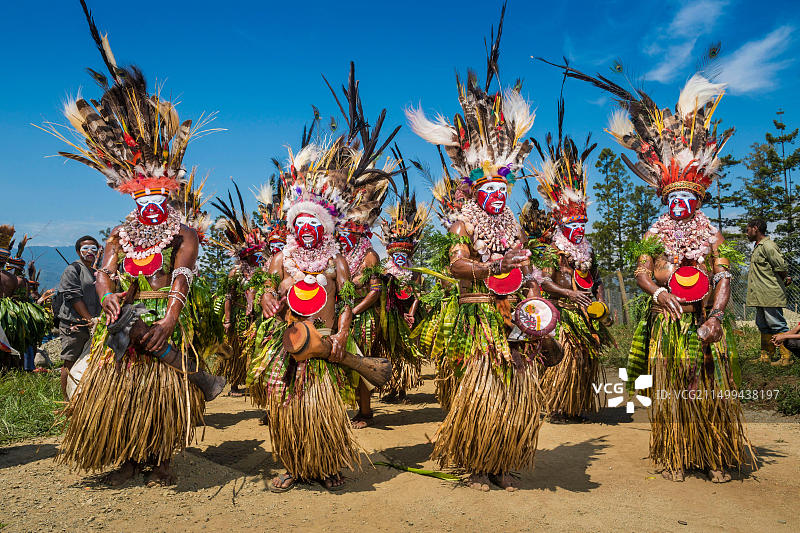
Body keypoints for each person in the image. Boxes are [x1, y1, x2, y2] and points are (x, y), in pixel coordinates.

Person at [44, 3, 223, 486]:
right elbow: (103, 270)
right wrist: (108, 297)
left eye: (157, 197)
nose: (149, 206)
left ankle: (160, 455)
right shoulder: (120, 234)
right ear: (131, 193)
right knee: (120, 391)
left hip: (160, 318)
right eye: (141, 198)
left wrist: (169, 317)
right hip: (122, 321)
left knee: (159, 389)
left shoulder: (182, 233)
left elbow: (183, 272)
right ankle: (125, 454)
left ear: (168, 191)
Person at [559, 63, 756, 481]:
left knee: (708, 387)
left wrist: (717, 315)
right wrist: (656, 293)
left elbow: (724, 276)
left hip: (705, 320)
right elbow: (642, 272)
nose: (679, 204)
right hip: (669, 319)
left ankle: (714, 454)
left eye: (686, 197)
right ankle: (677, 454)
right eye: (674, 197)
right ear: (666, 199)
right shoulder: (655, 233)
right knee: (670, 386)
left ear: (697, 198)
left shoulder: (712, 234)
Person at [406, 13, 561, 491]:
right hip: (477, 319)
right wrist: (490, 263)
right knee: (485, 387)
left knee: (515, 391)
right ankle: (477, 462)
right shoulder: (465, 220)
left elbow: (526, 264)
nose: (496, 196)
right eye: (487, 189)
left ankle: (504, 461)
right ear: (476, 190)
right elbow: (456, 264)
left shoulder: (511, 221)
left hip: (514, 317)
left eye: (502, 189)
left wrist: (535, 289)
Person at [248, 63, 398, 492]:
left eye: (315, 224)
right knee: (289, 407)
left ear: (326, 228)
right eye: (301, 224)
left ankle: (329, 464)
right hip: (288, 341)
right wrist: (266, 300)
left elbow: (348, 296)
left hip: (330, 338)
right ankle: (295, 465)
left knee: (326, 405)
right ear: (293, 226)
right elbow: (262, 289)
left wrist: (344, 329)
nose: (308, 231)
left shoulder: (337, 260)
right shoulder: (279, 260)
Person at [531, 111, 614, 422]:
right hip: (561, 315)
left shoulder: (587, 249)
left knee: (583, 361)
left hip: (586, 314)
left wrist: (601, 301)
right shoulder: (554, 249)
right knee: (565, 359)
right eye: (573, 223)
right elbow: (543, 283)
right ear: (562, 223)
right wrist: (568, 297)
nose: (579, 228)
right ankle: (557, 405)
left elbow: (598, 278)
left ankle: (576, 405)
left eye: (582, 222)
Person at [376, 147, 428, 403]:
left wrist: (411, 312)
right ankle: (390, 387)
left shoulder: (414, 272)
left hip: (408, 315)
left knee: (406, 350)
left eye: (403, 256)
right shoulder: (385, 271)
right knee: (390, 350)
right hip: (391, 316)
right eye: (396, 256)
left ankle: (402, 388)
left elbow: (417, 293)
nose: (399, 259)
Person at [55, 236, 101, 396]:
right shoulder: (73, 270)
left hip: (93, 325)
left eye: (93, 249)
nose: (90, 252)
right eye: (85, 249)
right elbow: (74, 297)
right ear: (78, 251)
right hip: (73, 325)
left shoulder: (96, 273)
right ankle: (66, 401)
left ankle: (82, 396)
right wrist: (89, 319)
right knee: (70, 361)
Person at [746, 218, 793, 366]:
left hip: (770, 293)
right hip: (760, 295)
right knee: (762, 324)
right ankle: (766, 355)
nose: (746, 233)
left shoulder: (768, 246)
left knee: (777, 324)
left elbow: (780, 265)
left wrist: (786, 277)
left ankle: (786, 357)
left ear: (755, 228)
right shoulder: (758, 246)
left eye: (748, 230)